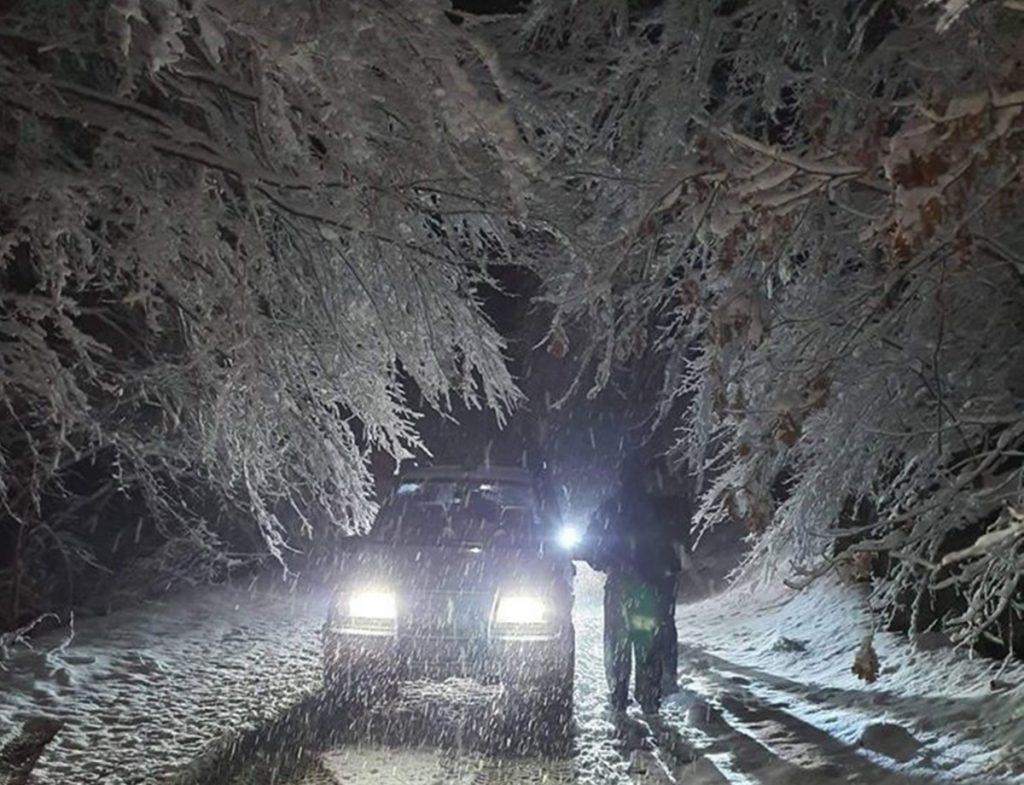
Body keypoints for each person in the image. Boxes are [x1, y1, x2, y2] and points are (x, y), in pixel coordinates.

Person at [584, 457, 682, 714]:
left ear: (621, 479)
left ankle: (618, 695)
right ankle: (649, 699)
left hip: (619, 584)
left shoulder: (610, 508)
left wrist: (606, 563)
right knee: (645, 640)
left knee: (617, 643)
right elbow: (671, 548)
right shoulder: (657, 508)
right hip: (646, 585)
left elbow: (589, 547)